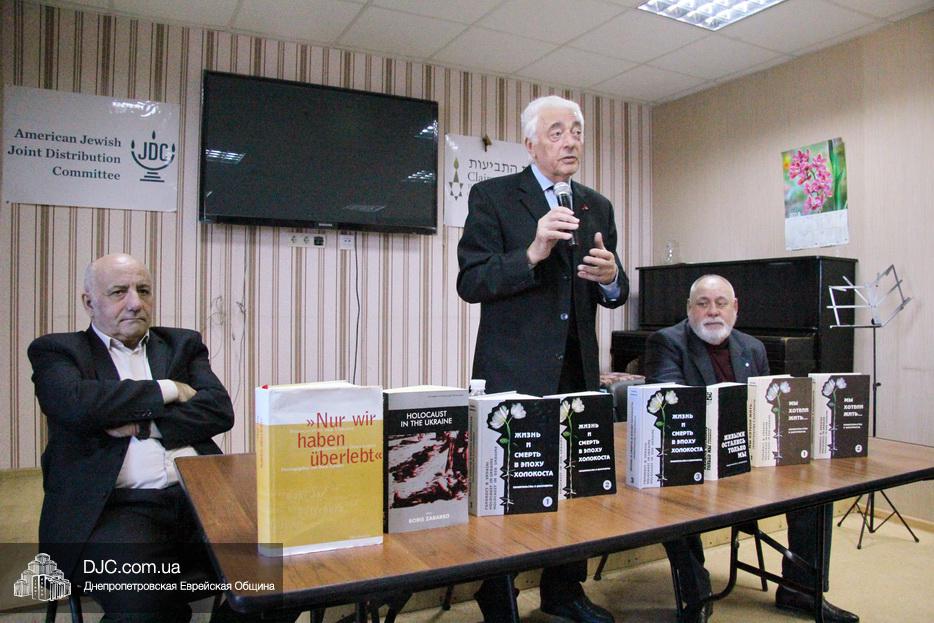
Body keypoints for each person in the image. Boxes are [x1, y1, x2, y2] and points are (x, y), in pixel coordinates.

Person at [458, 95, 628, 623]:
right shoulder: (493, 197)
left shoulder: (597, 205)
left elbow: (614, 290)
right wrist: (531, 253)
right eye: (557, 132)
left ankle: (564, 591)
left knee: (576, 486)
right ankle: (497, 592)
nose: (570, 141)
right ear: (530, 144)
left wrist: (612, 278)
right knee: (509, 485)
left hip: (578, 370)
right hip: (514, 370)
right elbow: (471, 281)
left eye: (576, 131)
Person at [28, 253, 235, 621]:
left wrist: (142, 426)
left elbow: (218, 410)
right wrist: (169, 389)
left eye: (144, 290)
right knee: (146, 608)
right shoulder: (59, 351)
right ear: (89, 303)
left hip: (201, 503)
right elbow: (76, 403)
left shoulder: (181, 344)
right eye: (118, 292)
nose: (135, 303)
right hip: (114, 512)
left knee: (284, 575)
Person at [643, 274, 859, 623]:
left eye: (721, 303)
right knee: (671, 491)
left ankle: (801, 591)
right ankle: (696, 596)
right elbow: (673, 408)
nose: (713, 311)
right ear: (689, 308)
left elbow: (766, 410)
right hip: (691, 458)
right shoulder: (666, 342)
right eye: (703, 303)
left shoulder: (753, 348)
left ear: (735, 308)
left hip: (746, 461)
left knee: (817, 491)